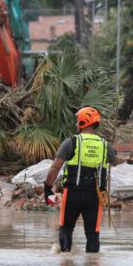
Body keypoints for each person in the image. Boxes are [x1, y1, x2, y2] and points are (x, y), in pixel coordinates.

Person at [44, 106, 116, 253]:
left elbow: (54, 168)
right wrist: (112, 149)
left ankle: (65, 263)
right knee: (92, 234)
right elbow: (113, 160)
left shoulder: (71, 142)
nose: (76, 123)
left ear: (83, 122)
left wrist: (47, 188)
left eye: (78, 120)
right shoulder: (105, 145)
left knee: (66, 229)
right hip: (95, 197)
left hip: (72, 194)